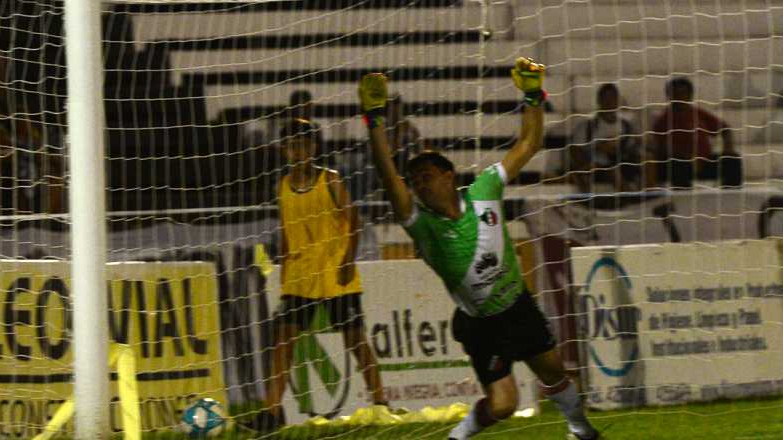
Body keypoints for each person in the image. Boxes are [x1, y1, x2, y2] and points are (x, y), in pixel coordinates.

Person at [358, 58, 599, 440]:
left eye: (427, 178)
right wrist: (375, 120)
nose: (421, 186)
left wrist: (533, 95)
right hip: (480, 323)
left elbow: (529, 144)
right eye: (416, 182)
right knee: (504, 404)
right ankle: (458, 436)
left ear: (449, 176)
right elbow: (389, 178)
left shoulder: (485, 189)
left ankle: (581, 429)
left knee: (555, 373)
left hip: (518, 305)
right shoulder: (421, 225)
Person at [250, 118, 387, 432]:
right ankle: (271, 412)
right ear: (284, 150)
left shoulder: (331, 180)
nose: (300, 150)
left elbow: (353, 220)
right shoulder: (282, 186)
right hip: (299, 275)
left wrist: (348, 262)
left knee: (355, 340)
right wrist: (284, 267)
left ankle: (380, 402)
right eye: (293, 145)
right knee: (283, 340)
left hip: (333, 273)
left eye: (305, 144)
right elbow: (285, 229)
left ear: (314, 148)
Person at [648, 76, 741, 188]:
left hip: (703, 161)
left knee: (732, 160)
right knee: (679, 164)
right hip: (678, 163)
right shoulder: (662, 120)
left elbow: (725, 129)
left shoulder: (698, 113)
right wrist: (687, 157)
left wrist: (728, 148)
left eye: (683, 93)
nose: (680, 97)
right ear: (669, 96)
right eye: (676, 93)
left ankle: (730, 194)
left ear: (690, 95)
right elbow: (661, 148)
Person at [565, 83, 643, 192]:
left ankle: (649, 195)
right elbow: (575, 150)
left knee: (648, 159)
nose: (609, 102)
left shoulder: (626, 126)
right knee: (608, 168)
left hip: (622, 163)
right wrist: (597, 148)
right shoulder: (586, 126)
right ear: (599, 101)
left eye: (613, 98)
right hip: (597, 167)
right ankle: (628, 196)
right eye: (606, 98)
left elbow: (632, 148)